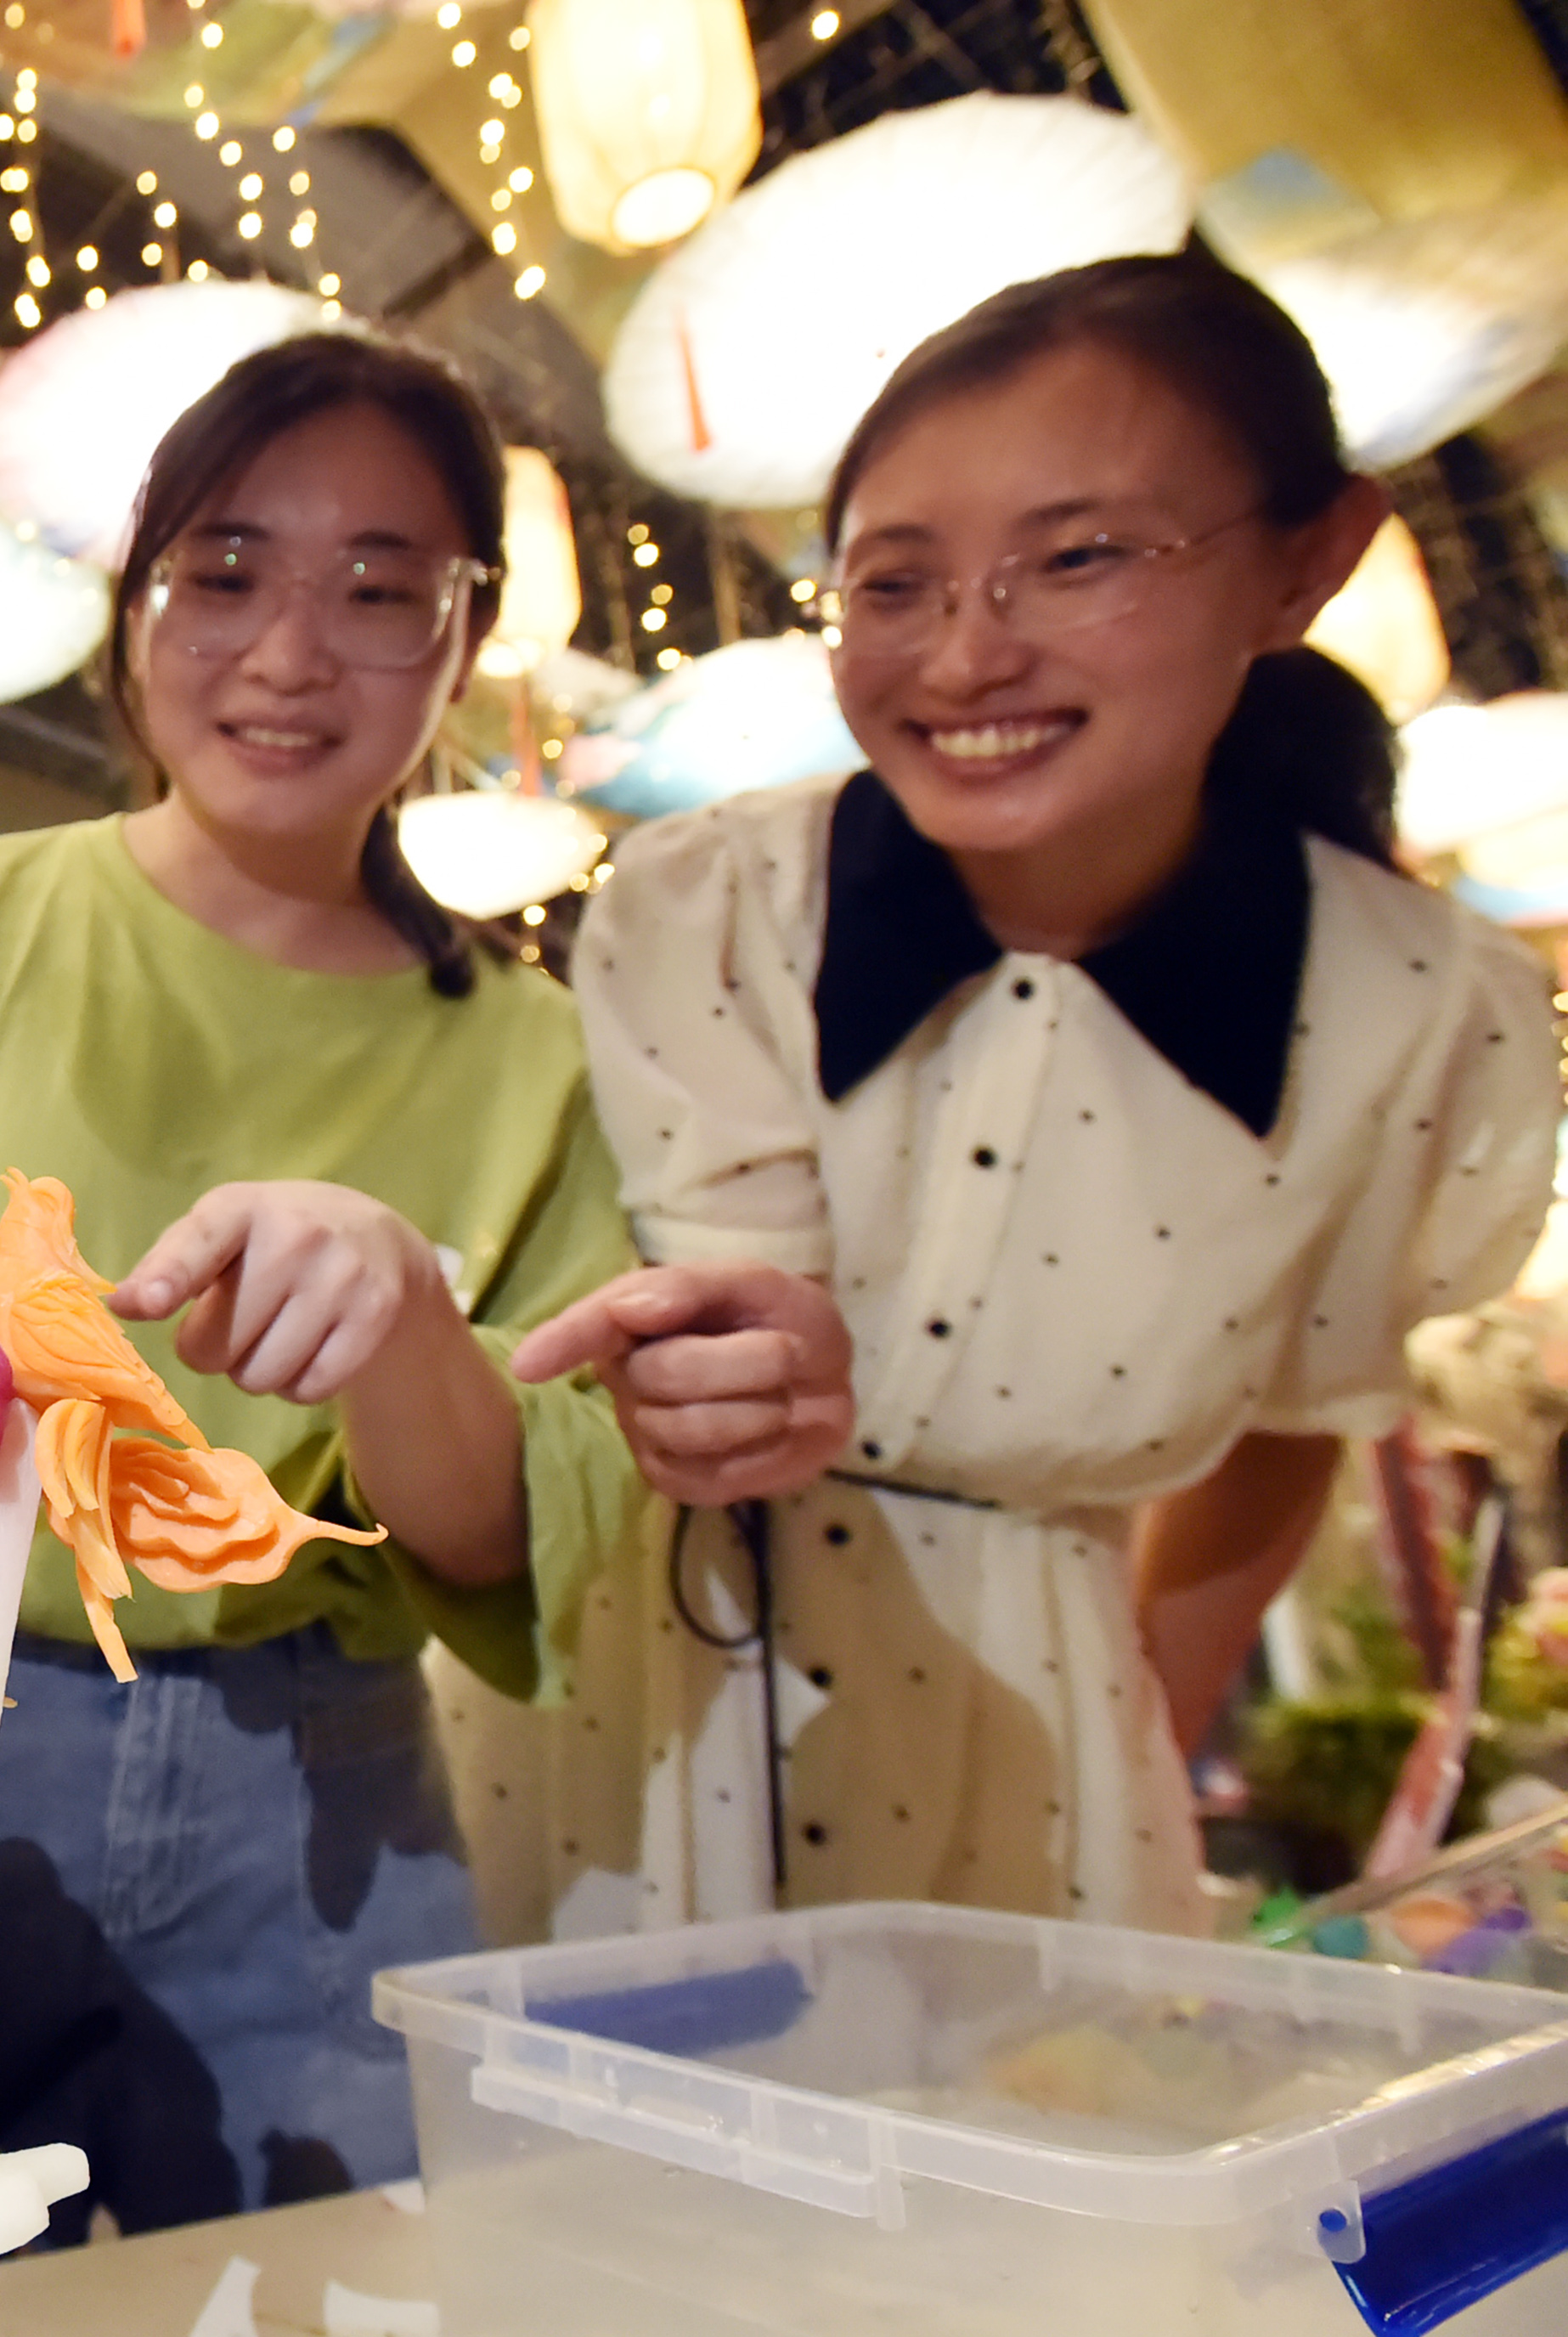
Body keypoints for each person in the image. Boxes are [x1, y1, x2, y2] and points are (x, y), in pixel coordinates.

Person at [437, 254, 1562, 1945]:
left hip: (1045, 1718)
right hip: (643, 1679)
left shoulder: (1421, 1013)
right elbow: (740, 1346)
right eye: (896, 581)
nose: (967, 655)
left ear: (1305, 562)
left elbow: (1287, 1433)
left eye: (1080, 556)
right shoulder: (714, 903)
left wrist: (1126, 1729)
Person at [0, 334, 648, 2233]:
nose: (291, 650)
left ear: (466, 630)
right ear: (134, 601)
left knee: (328, 2281)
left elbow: (504, 1542)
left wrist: (404, 1315)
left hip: (322, 1783)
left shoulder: (537, 1054)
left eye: (380, 588)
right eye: (227, 570)